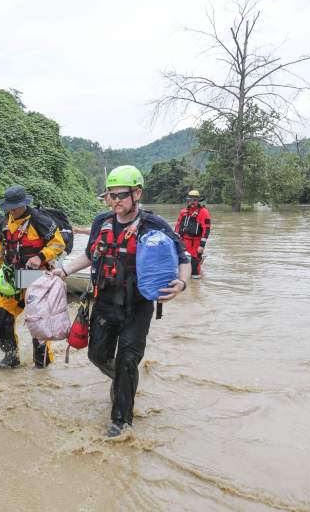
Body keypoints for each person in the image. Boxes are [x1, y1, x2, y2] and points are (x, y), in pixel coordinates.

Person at [50, 166, 190, 437]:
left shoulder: (154, 225)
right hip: (104, 302)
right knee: (96, 355)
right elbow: (91, 256)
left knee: (127, 359)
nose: (115, 201)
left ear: (137, 194)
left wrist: (182, 283)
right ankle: (125, 382)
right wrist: (64, 271)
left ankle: (121, 422)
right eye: (110, 196)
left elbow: (184, 257)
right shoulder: (101, 222)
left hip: (137, 306)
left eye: (121, 196)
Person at [0, 186, 66, 369]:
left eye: (16, 206)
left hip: (35, 277)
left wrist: (40, 256)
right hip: (11, 277)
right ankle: (11, 357)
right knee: (2, 315)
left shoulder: (40, 220)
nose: (12, 210)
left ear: (24, 204)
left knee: (37, 320)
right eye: (10, 207)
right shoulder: (4, 222)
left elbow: (58, 244)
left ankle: (42, 362)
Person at [174, 190, 211, 279]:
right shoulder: (183, 212)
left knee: (195, 268)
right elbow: (178, 227)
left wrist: (202, 246)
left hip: (196, 243)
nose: (192, 202)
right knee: (180, 265)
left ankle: (195, 286)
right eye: (190, 200)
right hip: (183, 242)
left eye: (195, 200)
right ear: (188, 201)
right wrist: (175, 240)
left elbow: (206, 229)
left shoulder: (203, 212)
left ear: (198, 201)